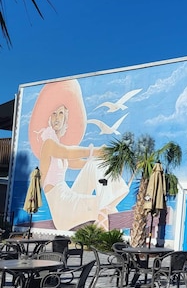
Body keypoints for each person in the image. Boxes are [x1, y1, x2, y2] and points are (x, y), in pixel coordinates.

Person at [28, 80, 129, 231]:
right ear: (49, 118)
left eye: (60, 113)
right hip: (63, 209)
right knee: (107, 209)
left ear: (65, 118)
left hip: (68, 199)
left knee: (94, 163)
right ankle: (106, 200)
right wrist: (94, 150)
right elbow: (68, 152)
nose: (56, 117)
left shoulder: (57, 145)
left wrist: (107, 161)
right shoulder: (48, 143)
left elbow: (81, 163)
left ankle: (107, 198)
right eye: (53, 113)